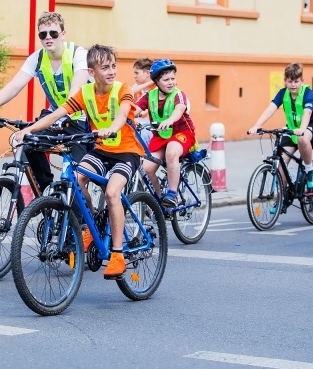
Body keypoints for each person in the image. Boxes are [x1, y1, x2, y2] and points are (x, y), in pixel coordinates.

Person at [14, 44, 143, 280]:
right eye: (105, 67)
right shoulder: (85, 93)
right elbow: (57, 114)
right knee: (77, 179)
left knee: (113, 193)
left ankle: (116, 254)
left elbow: (123, 115)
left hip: (126, 152)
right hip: (101, 150)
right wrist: (28, 130)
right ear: (92, 72)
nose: (112, 71)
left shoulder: (123, 89)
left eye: (113, 66)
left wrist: (110, 129)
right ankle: (92, 225)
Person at [0, 12, 89, 194]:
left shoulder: (79, 54)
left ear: (63, 34)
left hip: (83, 120)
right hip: (54, 118)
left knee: (75, 180)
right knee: (26, 142)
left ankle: (82, 219)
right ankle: (47, 194)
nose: (48, 38)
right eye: (43, 34)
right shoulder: (37, 58)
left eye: (53, 33)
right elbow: (14, 86)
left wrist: (63, 114)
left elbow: (76, 89)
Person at [249, 63, 313, 190]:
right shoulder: (283, 93)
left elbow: (308, 112)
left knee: (302, 138)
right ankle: (282, 197)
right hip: (293, 128)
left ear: (302, 81)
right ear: (285, 81)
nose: (293, 85)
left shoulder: (307, 92)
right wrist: (257, 125)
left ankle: (310, 170)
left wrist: (302, 130)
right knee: (282, 162)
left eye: (296, 81)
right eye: (290, 81)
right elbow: (270, 109)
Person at [134, 59, 197, 208]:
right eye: (166, 79)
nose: (171, 82)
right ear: (156, 81)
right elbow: (134, 110)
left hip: (182, 134)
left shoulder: (178, 94)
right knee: (147, 168)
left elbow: (179, 109)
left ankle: (172, 194)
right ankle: (160, 200)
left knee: (171, 152)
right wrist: (125, 118)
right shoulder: (149, 96)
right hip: (160, 137)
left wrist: (170, 120)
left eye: (173, 79)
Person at [132, 57, 155, 147]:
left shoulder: (157, 89)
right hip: (136, 126)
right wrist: (148, 83)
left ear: (147, 73)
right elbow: (129, 92)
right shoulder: (135, 88)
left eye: (137, 73)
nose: (134, 76)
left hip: (152, 129)